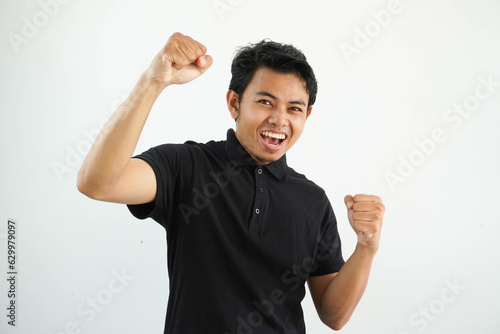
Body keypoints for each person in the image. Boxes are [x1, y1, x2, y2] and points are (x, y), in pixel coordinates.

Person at [77, 32, 385, 333]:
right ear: (234, 103)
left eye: (294, 108)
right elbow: (98, 183)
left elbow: (334, 316)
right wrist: (152, 82)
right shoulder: (186, 166)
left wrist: (366, 248)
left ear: (307, 115)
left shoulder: (313, 201)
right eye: (265, 102)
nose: (279, 119)